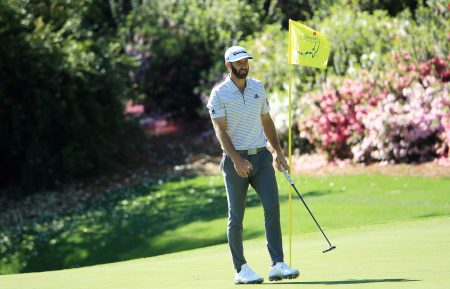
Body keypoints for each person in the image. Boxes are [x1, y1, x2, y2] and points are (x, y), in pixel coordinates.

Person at [207, 46, 300, 284]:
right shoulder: (219, 94)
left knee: (272, 207)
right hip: (235, 161)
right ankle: (241, 269)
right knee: (236, 217)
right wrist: (236, 159)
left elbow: (266, 121)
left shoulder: (258, 87)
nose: (244, 65)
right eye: (238, 62)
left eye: (246, 61)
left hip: (261, 158)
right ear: (229, 65)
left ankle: (277, 264)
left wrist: (278, 152)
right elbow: (220, 129)